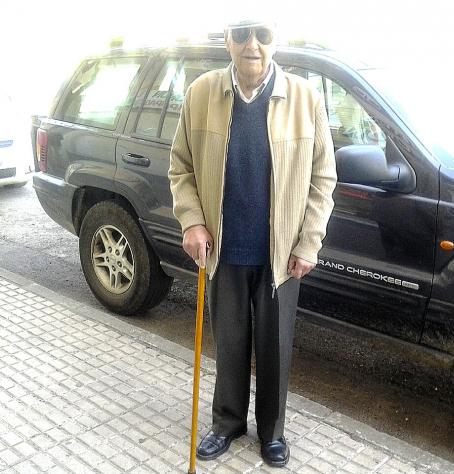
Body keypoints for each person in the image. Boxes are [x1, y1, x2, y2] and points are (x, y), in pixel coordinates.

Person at [168, 19, 336, 467]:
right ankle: (227, 423)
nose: (252, 45)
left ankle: (272, 432)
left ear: (276, 39)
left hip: (281, 255)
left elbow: (323, 179)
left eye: (262, 33)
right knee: (229, 344)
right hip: (223, 250)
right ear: (227, 39)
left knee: (275, 347)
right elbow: (181, 167)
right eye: (242, 33)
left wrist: (309, 243)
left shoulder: (305, 98)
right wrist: (192, 222)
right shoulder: (201, 93)